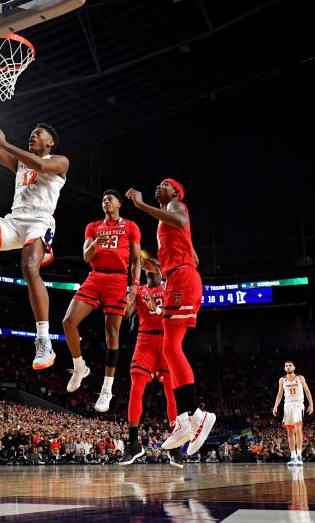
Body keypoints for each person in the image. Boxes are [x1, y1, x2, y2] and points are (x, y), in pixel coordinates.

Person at [0, 89, 69, 370]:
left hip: (40, 221)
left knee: (30, 268)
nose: (33, 135)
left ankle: (44, 342)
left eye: (38, 133)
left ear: (50, 141)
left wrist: (6, 144)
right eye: (32, 132)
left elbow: (40, 164)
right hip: (15, 219)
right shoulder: (20, 163)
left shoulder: (60, 161)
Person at [125, 179, 216, 457]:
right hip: (180, 276)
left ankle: (198, 416)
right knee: (170, 347)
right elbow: (196, 258)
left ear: (176, 193)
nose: (158, 186)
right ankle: (187, 419)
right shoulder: (169, 220)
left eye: (165, 184)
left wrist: (141, 205)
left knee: (172, 348)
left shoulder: (176, 206)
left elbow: (178, 219)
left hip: (182, 278)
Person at [63, 190, 141, 412]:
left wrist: (134, 286)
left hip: (117, 279)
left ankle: (107, 389)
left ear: (119, 204)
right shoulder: (93, 226)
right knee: (68, 322)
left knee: (112, 334)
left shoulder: (131, 227)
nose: (105, 202)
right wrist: (96, 242)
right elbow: (87, 257)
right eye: (103, 199)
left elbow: (136, 259)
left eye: (110, 199)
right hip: (95, 276)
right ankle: (79, 367)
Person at [118, 257, 179, 467]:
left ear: (160, 270)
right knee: (136, 388)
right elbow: (126, 313)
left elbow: (175, 315)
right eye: (145, 270)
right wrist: (128, 297)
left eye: (151, 268)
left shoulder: (170, 287)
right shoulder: (140, 290)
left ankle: (175, 445)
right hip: (145, 341)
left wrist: (157, 309)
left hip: (166, 340)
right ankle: (134, 444)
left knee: (172, 392)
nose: (147, 272)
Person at [272, 360, 315, 466]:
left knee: (298, 429)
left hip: (298, 404)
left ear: (294, 367)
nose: (288, 367)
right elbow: (279, 394)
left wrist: (311, 404)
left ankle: (299, 455)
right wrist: (275, 406)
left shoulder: (300, 378)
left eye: (290, 365)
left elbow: (307, 391)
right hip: (287, 406)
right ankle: (293, 456)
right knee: (290, 432)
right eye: (286, 365)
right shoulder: (282, 380)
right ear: (284, 368)